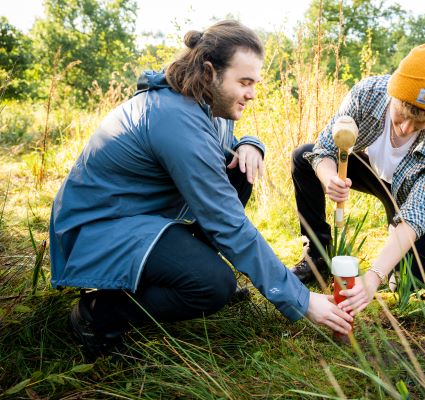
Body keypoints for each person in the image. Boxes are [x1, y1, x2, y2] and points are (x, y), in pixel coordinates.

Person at [49, 20, 352, 359]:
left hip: (137, 219)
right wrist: (301, 299)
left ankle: (186, 270)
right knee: (212, 285)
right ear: (210, 72)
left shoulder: (205, 105)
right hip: (96, 229)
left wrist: (250, 143)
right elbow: (227, 222)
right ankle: (97, 314)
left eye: (255, 83)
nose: (252, 93)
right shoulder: (174, 117)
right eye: (244, 82)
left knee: (239, 169)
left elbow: (220, 147)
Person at [290, 38, 425, 315]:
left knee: (410, 284)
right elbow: (324, 148)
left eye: (421, 122)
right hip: (368, 169)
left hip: (409, 192)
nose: (406, 128)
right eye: (401, 115)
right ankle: (317, 255)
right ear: (393, 94)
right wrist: (329, 178)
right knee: (303, 157)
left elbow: (418, 212)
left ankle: (408, 259)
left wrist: (374, 276)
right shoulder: (367, 93)